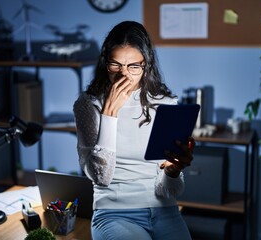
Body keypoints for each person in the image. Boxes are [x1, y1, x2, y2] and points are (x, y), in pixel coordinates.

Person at [73, 21, 194, 240]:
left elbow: (168, 190)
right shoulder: (88, 104)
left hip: (164, 210)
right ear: (105, 63)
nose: (124, 76)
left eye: (133, 67)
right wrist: (109, 113)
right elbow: (101, 177)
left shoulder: (164, 103)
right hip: (114, 214)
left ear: (146, 65)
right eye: (115, 65)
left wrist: (173, 170)